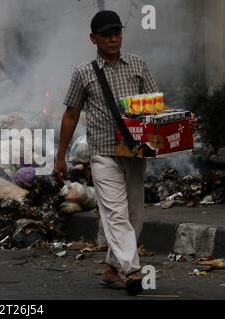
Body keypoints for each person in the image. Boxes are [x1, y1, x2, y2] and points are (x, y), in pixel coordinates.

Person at [54, 10, 160, 295]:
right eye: (107, 34)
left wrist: (179, 126)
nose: (114, 39)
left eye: (117, 33)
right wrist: (60, 156)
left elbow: (155, 107)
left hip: (136, 151)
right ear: (93, 38)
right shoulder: (84, 73)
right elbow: (71, 113)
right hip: (103, 153)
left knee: (135, 215)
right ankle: (132, 271)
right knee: (115, 213)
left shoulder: (137, 65)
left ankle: (111, 269)